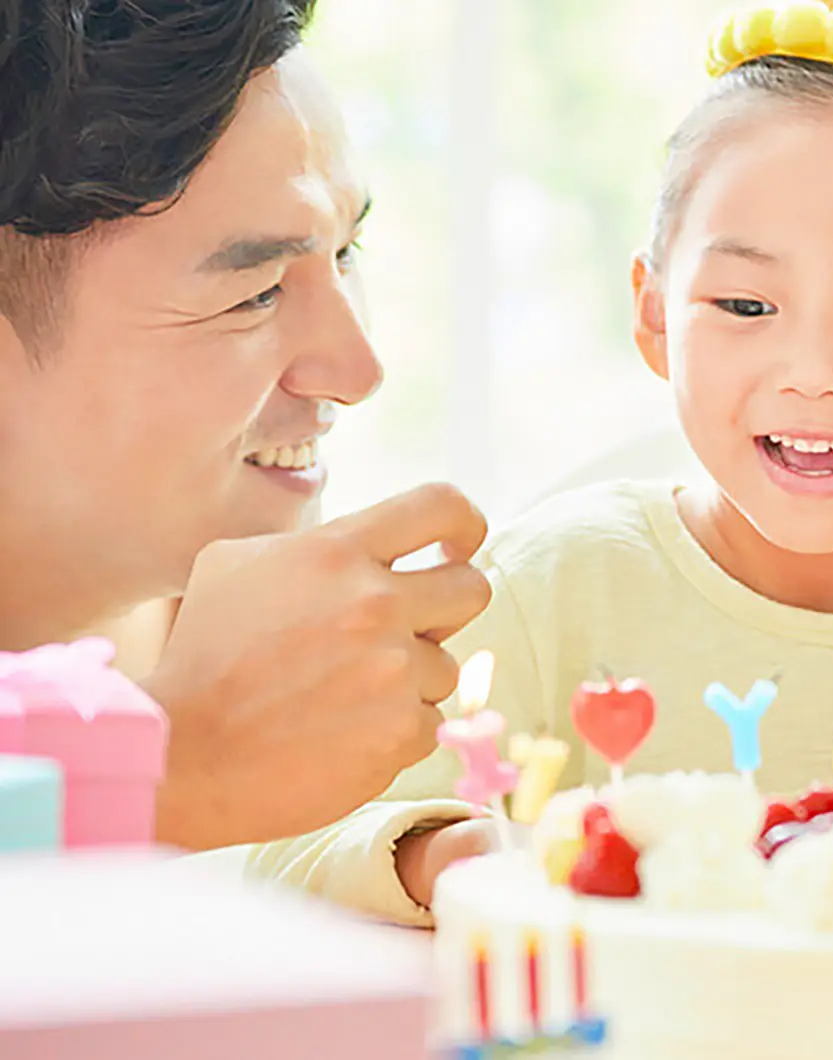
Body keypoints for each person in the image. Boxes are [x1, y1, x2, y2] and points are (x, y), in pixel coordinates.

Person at [248, 0, 833, 936]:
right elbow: (287, 856)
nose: (813, 372)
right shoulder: (551, 586)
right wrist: (439, 857)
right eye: (744, 305)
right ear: (655, 314)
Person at [0, 0, 492, 850]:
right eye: (255, 294)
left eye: (346, 254)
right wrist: (177, 770)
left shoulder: (339, 670)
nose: (359, 371)